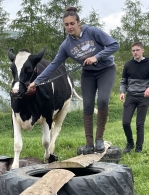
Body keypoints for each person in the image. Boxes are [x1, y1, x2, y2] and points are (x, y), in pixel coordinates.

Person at [27, 7, 119, 154]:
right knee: (87, 105)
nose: (69, 27)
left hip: (106, 70)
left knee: (102, 100)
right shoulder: (66, 46)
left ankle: (99, 139)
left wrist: (96, 57)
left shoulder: (92, 31)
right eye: (66, 25)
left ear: (78, 22)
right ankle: (89, 144)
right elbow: (53, 65)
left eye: (72, 23)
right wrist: (36, 82)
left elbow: (115, 45)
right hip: (88, 74)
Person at [120, 41, 149, 153]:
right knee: (125, 122)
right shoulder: (128, 65)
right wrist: (122, 92)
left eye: (137, 50)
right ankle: (130, 143)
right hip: (131, 96)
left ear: (143, 50)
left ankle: (139, 148)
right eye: (133, 50)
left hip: (143, 97)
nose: (135, 52)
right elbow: (123, 82)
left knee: (139, 124)